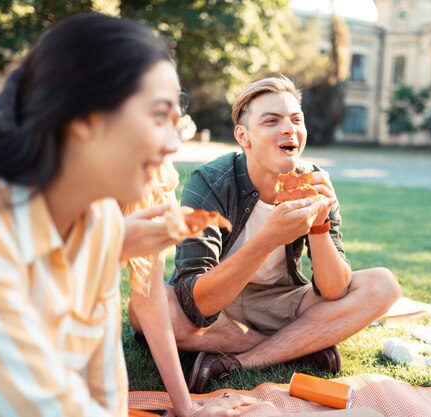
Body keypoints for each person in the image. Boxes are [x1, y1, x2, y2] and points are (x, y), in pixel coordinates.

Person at [0, 13, 260, 417]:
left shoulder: (99, 219)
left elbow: (103, 386)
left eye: (177, 119)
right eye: (158, 116)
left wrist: (186, 410)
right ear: (85, 117)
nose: (173, 144)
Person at [130, 75, 402, 394]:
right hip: (219, 305)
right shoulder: (209, 182)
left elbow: (333, 291)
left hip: (282, 302)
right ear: (243, 136)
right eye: (272, 121)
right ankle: (302, 347)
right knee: (144, 304)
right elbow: (196, 305)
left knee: (382, 284)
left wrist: (320, 224)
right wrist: (268, 238)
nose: (289, 129)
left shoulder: (314, 182)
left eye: (296, 120)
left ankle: (238, 361)